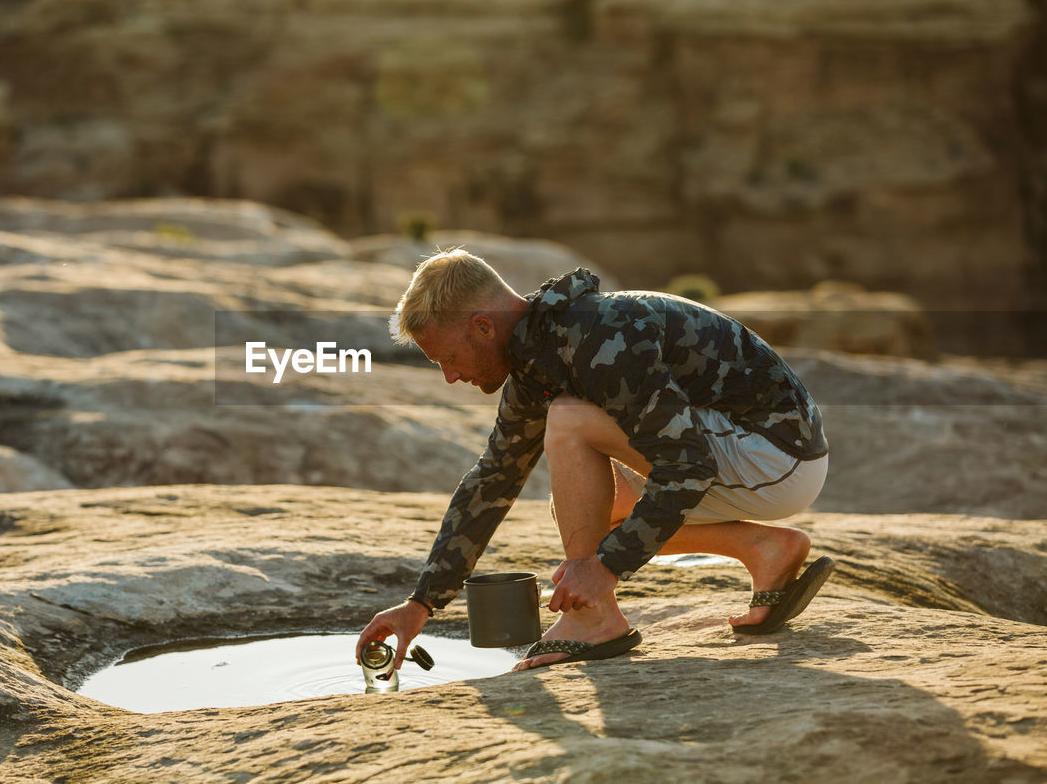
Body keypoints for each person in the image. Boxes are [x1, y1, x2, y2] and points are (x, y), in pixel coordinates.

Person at [355, 249, 832, 671]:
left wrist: (603, 569)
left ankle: (592, 617)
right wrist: (421, 604)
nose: (450, 377)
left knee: (567, 420)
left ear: (483, 325)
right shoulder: (542, 351)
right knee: (589, 505)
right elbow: (493, 480)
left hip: (777, 454)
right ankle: (763, 550)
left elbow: (688, 466)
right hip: (755, 455)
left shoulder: (600, 338)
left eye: (448, 358)